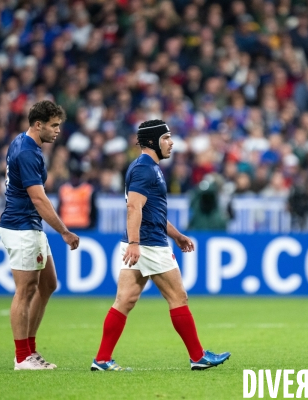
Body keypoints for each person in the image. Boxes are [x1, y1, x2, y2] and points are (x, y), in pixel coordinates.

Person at [91, 119, 230, 372]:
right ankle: (197, 357)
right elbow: (134, 207)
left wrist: (176, 235)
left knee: (125, 299)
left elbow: (151, 210)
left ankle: (101, 359)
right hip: (149, 244)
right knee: (178, 297)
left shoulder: (148, 167)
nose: (171, 142)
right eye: (166, 138)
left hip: (143, 240)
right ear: (153, 141)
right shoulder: (145, 168)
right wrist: (135, 242)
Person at [0, 101, 80, 370]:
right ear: (38, 124)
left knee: (48, 285)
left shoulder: (23, 143)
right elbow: (38, 198)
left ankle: (29, 350)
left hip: (29, 225)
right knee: (25, 290)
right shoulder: (28, 153)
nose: (58, 131)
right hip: (21, 226)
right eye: (54, 125)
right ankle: (23, 356)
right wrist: (64, 232)